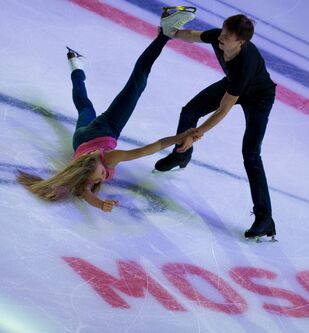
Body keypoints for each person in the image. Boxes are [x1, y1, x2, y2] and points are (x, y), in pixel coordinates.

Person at [17, 8, 200, 212]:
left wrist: (180, 137)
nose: (104, 175)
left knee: (137, 84)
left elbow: (150, 148)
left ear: (94, 161)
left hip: (106, 128)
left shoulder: (109, 159)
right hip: (80, 139)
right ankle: (75, 65)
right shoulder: (82, 173)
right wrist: (101, 203)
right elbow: (86, 192)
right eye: (103, 175)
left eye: (101, 173)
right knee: (84, 105)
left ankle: (164, 34)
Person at [154, 14, 278, 240]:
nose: (221, 37)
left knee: (251, 154)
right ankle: (181, 156)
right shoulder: (219, 38)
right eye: (222, 32)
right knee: (189, 111)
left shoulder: (244, 64)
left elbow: (222, 110)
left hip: (259, 97)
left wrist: (195, 134)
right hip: (232, 86)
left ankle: (265, 217)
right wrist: (168, 32)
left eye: (227, 36)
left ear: (241, 41)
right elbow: (192, 35)